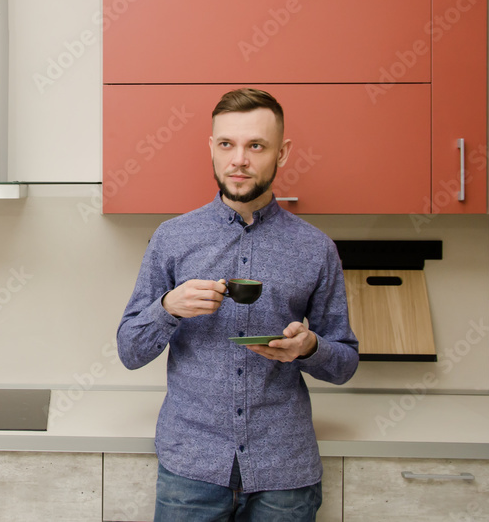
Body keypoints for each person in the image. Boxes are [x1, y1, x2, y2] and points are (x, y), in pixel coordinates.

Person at [116, 88, 359, 522]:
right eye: (227, 144)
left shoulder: (316, 249)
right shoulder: (172, 239)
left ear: (281, 153)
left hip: (285, 472)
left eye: (256, 146)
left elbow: (344, 363)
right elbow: (130, 351)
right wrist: (168, 307)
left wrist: (307, 348)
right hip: (191, 468)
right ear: (211, 148)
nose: (239, 160)